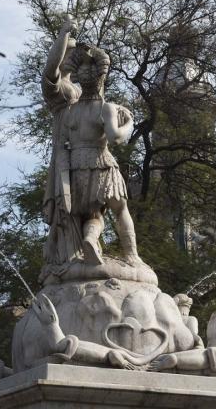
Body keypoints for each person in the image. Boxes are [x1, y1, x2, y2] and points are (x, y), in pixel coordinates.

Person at [41, 18, 140, 266]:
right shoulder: (62, 92)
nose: (74, 56)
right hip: (96, 161)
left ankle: (86, 245)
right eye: (70, 52)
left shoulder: (75, 104)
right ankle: (131, 255)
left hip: (73, 163)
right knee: (118, 208)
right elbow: (116, 136)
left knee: (85, 213)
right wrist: (128, 122)